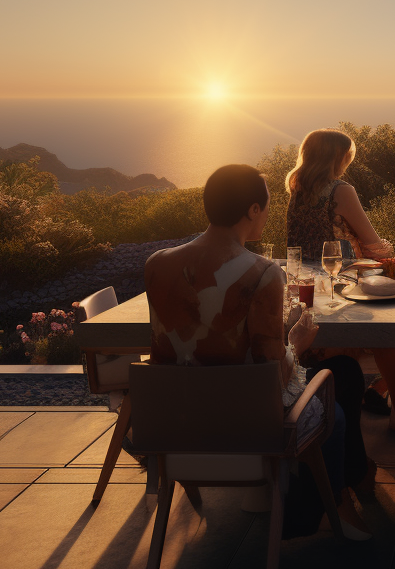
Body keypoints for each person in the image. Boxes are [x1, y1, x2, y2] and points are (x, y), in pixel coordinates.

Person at [144, 164, 370, 539]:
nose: (267, 213)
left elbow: (173, 348)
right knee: (337, 407)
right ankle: (322, 509)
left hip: (178, 422)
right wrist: (295, 342)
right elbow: (272, 376)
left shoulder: (157, 265)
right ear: (252, 210)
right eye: (265, 205)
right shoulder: (262, 272)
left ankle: (328, 497)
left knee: (344, 371)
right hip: (247, 425)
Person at [284, 128, 395, 431]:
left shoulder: (296, 185)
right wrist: (389, 255)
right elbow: (372, 242)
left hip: (304, 283)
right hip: (339, 281)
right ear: (337, 156)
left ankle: (377, 392)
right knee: (392, 324)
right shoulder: (340, 190)